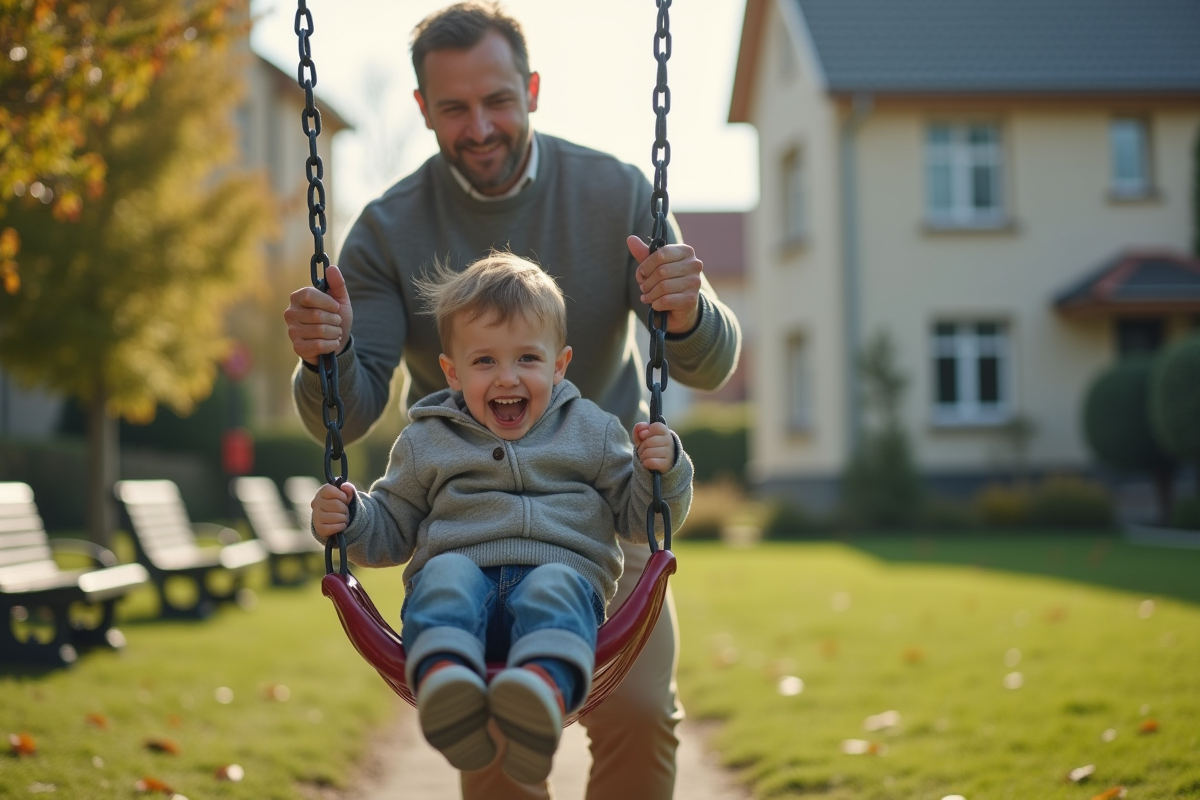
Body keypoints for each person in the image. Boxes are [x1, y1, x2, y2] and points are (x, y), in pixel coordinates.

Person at [285, 3, 741, 797]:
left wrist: (690, 310)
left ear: (531, 89)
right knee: (489, 743)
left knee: (636, 713)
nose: (481, 126)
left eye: (498, 100)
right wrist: (324, 355)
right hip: (466, 516)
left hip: (599, 501)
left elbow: (707, 365)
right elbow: (348, 410)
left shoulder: (614, 192)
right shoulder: (390, 229)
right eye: (454, 108)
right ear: (423, 109)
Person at [310, 253, 693, 786]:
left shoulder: (592, 430)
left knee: (555, 589)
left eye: (528, 360)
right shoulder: (426, 441)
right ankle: (448, 686)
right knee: (443, 580)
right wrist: (350, 518)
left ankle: (537, 695)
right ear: (452, 371)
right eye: (484, 361)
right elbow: (391, 529)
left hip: (562, 570)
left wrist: (664, 471)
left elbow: (638, 520)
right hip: (461, 575)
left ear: (559, 366)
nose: (506, 377)